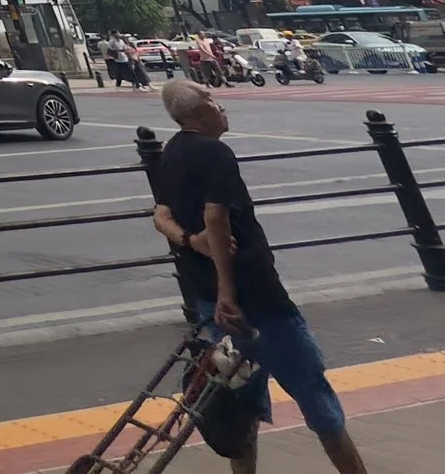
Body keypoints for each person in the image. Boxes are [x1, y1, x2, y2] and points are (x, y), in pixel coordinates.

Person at [152, 79, 368, 474]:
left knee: (240, 400)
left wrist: (190, 241)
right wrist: (228, 291)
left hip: (206, 300)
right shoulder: (215, 152)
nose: (221, 106)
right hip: (253, 297)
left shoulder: (172, 152)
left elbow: (160, 216)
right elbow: (216, 217)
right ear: (200, 111)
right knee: (314, 394)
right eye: (213, 100)